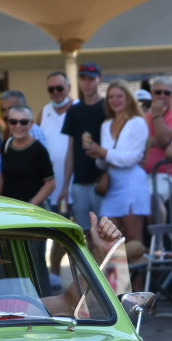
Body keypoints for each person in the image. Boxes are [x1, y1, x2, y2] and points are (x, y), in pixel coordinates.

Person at [83, 79, 151, 247]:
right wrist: (97, 155)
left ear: (128, 98)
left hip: (132, 184)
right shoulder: (106, 124)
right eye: (111, 96)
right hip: (112, 184)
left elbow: (131, 158)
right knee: (109, 238)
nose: (115, 100)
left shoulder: (137, 122)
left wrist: (102, 152)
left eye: (119, 96)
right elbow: (103, 164)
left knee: (133, 238)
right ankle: (117, 266)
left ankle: (138, 266)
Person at [61, 62, 108, 232]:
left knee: (106, 231)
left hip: (103, 181)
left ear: (99, 80)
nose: (87, 83)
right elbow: (70, 150)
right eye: (83, 79)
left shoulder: (108, 108)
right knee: (84, 232)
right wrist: (65, 186)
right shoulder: (73, 111)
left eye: (91, 79)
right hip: (80, 182)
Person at [142, 76, 172, 209]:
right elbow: (139, 143)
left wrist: (157, 116)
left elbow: (164, 140)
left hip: (170, 176)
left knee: (150, 197)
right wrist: (152, 141)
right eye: (158, 92)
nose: (162, 96)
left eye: (167, 93)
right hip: (145, 175)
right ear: (152, 95)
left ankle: (159, 224)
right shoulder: (145, 117)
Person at [0, 105, 55, 208]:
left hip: (29, 211)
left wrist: (30, 205)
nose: (18, 126)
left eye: (23, 122)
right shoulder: (6, 144)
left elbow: (50, 183)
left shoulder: (38, 149)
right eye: (13, 122)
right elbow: (2, 176)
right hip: (7, 208)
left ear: (31, 124)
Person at [38, 73, 75, 214]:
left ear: (69, 87)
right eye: (51, 89)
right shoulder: (43, 112)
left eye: (59, 88)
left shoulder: (79, 108)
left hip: (75, 188)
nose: (55, 92)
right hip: (51, 190)